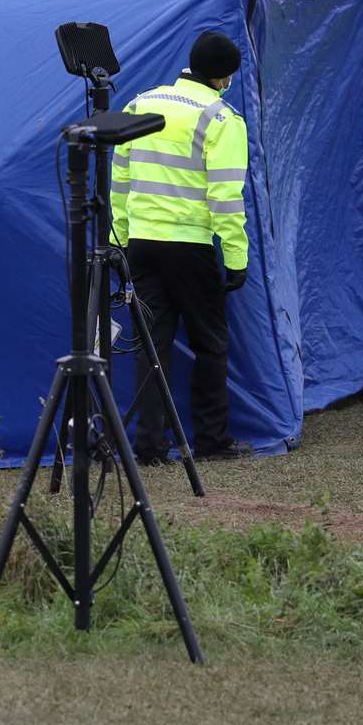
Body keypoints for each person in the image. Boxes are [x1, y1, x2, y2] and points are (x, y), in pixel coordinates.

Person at [110, 31, 252, 464]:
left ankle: (150, 446)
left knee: (152, 346)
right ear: (224, 77)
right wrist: (236, 257)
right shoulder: (221, 119)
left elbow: (119, 180)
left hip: (142, 244)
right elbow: (226, 198)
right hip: (190, 247)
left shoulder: (139, 104)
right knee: (211, 344)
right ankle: (213, 441)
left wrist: (119, 239)